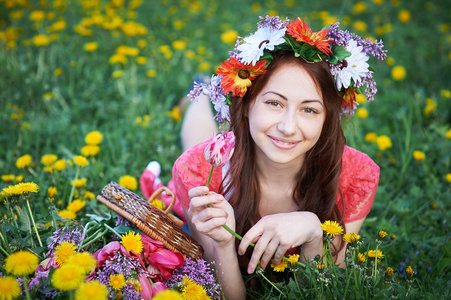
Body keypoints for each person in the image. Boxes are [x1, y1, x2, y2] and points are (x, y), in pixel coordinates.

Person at [171, 16, 386, 299]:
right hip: (229, 156)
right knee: (204, 145)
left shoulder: (354, 176)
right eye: (274, 103)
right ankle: (199, 95)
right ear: (247, 105)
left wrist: (313, 232)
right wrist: (222, 245)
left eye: (309, 110)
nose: (288, 127)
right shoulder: (198, 173)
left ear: (327, 119)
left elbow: (323, 290)